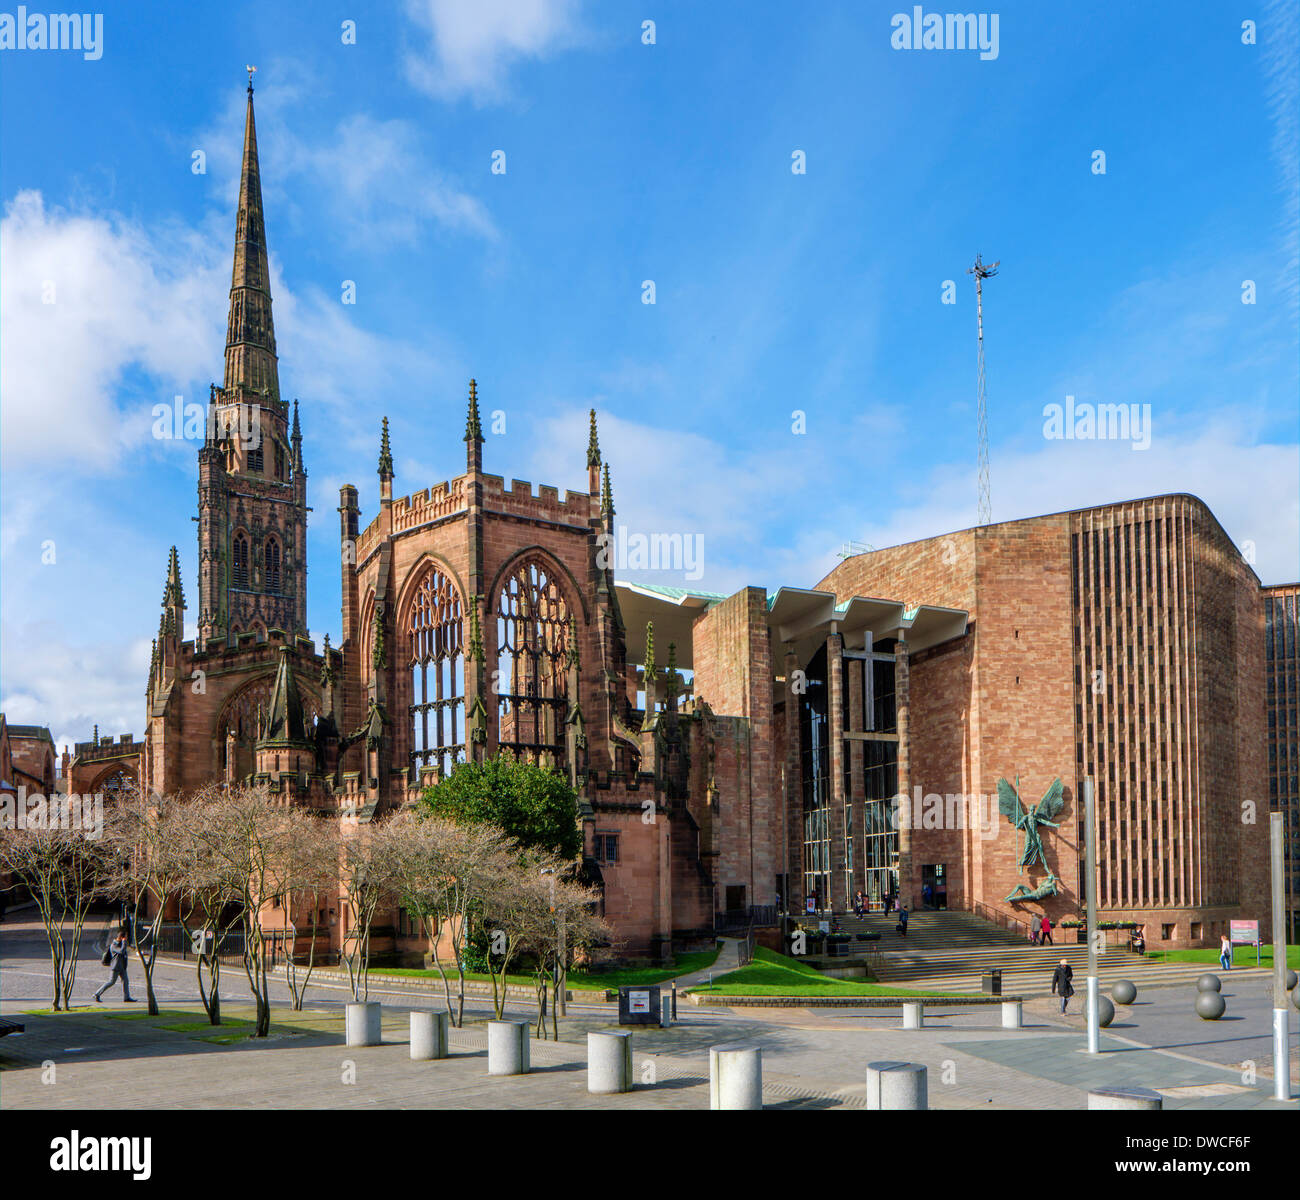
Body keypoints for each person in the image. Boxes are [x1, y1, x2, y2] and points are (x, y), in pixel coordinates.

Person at [94, 926, 134, 1003]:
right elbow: (122, 951)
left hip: (122, 967)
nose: (127, 938)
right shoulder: (114, 945)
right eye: (125, 936)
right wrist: (124, 942)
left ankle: (127, 997)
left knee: (126, 981)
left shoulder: (120, 944)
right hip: (115, 967)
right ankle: (97, 994)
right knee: (111, 982)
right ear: (122, 937)